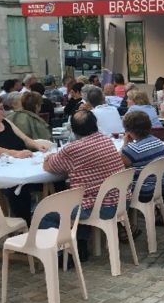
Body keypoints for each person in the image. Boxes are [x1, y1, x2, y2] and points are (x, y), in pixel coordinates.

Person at [43, 110, 125, 261]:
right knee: (80, 197)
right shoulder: (106, 140)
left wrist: (48, 158)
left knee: (44, 212)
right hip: (119, 201)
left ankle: (60, 255)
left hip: (99, 207)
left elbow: (49, 167)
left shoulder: (73, 148)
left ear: (73, 129)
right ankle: (79, 245)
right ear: (95, 124)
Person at [0, 96, 50, 223]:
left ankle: (53, 218)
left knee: (53, 178)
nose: (4, 112)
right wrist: (17, 153)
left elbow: (24, 138)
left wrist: (37, 146)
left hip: (22, 165)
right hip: (0, 172)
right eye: (1, 109)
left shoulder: (5, 122)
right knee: (18, 189)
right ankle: (25, 223)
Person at [121, 110, 164, 201]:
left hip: (142, 192)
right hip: (160, 186)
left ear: (129, 130)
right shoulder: (158, 141)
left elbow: (119, 165)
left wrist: (125, 143)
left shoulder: (132, 150)